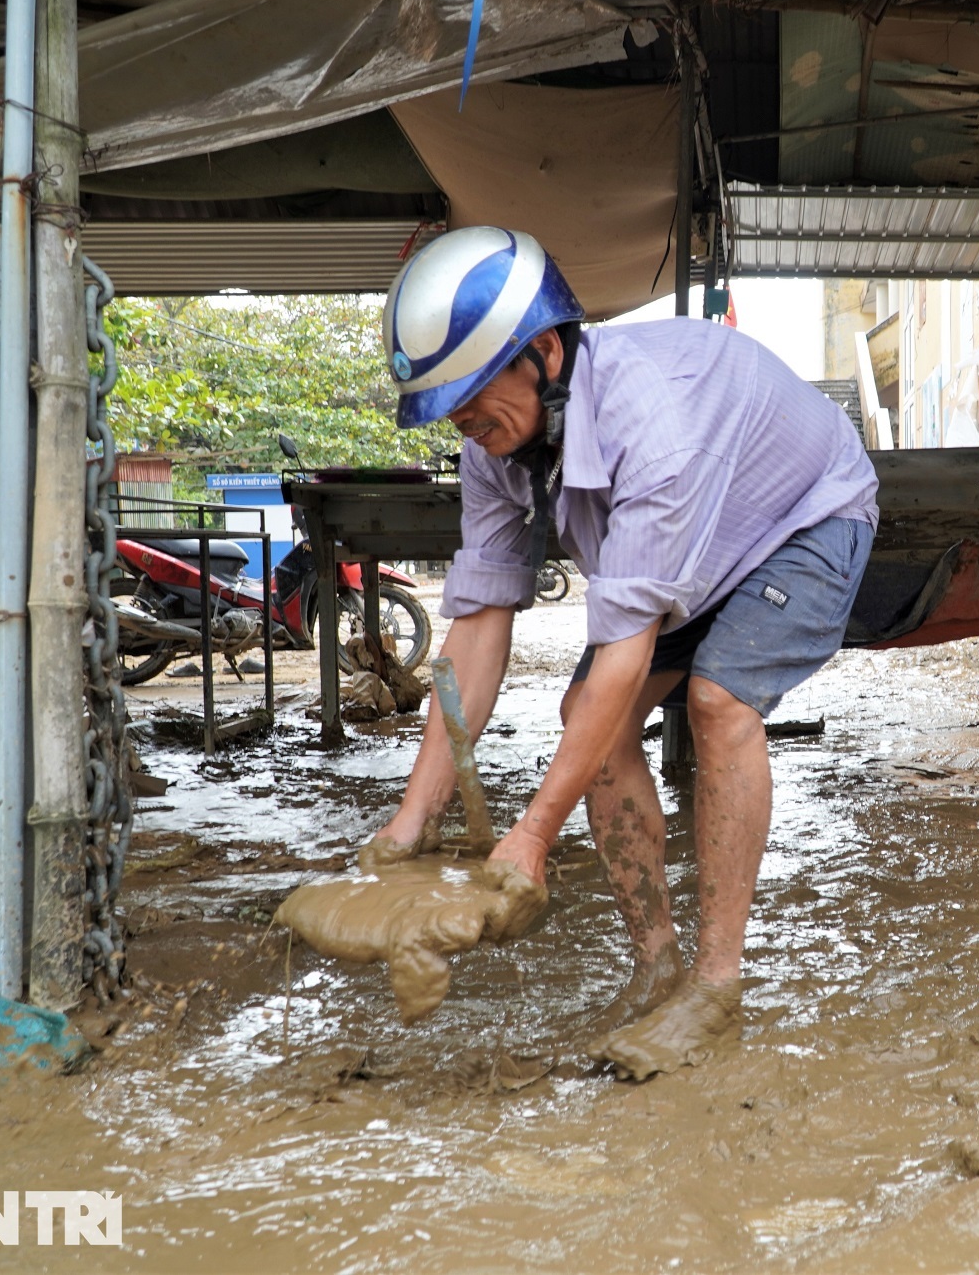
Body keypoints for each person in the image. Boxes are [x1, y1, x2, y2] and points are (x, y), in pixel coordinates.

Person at [362, 227, 879, 1078]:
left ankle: (714, 987)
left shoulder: (655, 426)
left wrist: (532, 833)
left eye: (474, 393)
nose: (464, 419)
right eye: (448, 407)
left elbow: (627, 653)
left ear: (546, 352)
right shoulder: (495, 442)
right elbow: (483, 617)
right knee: (586, 725)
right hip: (693, 547)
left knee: (719, 706)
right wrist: (411, 820)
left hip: (806, 517)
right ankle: (656, 965)